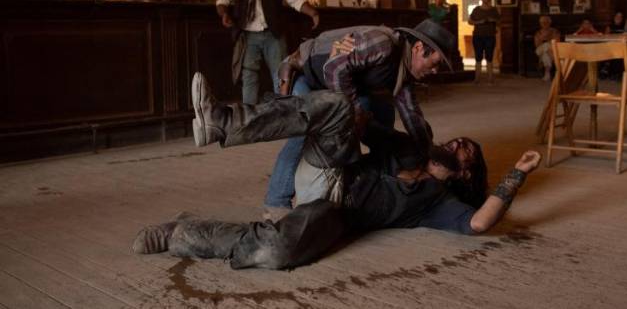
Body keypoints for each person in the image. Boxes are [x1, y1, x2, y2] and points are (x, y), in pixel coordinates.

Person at [131, 73, 542, 271]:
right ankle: (223, 121)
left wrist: (516, 174)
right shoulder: (407, 150)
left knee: (279, 252)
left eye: (465, 152)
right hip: (329, 168)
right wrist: (359, 110)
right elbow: (362, 125)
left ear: (465, 175)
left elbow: (479, 223)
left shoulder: (436, 202)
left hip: (334, 212)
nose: (456, 145)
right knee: (339, 107)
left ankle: (180, 232)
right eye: (457, 140)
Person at [264, 19, 455, 221]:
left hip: (334, 87)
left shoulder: (402, 71)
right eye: (435, 63)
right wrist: (355, 113)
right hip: (303, 76)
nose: (435, 71)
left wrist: (428, 153)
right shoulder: (383, 44)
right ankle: (276, 203)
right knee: (305, 133)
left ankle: (368, 185)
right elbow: (334, 69)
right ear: (418, 48)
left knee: (381, 120)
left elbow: (411, 114)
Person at [216, 0, 319, 105]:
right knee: (249, 77)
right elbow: (222, 0)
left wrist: (312, 12)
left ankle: (283, 117)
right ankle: (250, 119)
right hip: (247, 34)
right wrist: (224, 14)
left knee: (282, 75)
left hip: (274, 33)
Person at [468, 0, 500, 84]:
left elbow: (499, 22)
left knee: (489, 57)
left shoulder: (494, 10)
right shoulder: (476, 9)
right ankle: (477, 78)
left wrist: (492, 20)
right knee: (478, 57)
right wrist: (479, 22)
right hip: (478, 36)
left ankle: (490, 78)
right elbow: (470, 21)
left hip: (490, 36)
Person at [533, 15, 561, 81]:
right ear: (540, 23)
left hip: (552, 49)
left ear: (550, 22)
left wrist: (545, 39)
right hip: (540, 50)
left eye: (546, 22)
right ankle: (557, 67)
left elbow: (557, 42)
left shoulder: (554, 31)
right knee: (546, 47)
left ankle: (547, 73)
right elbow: (537, 45)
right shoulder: (538, 33)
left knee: (546, 54)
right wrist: (547, 41)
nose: (545, 24)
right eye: (543, 22)